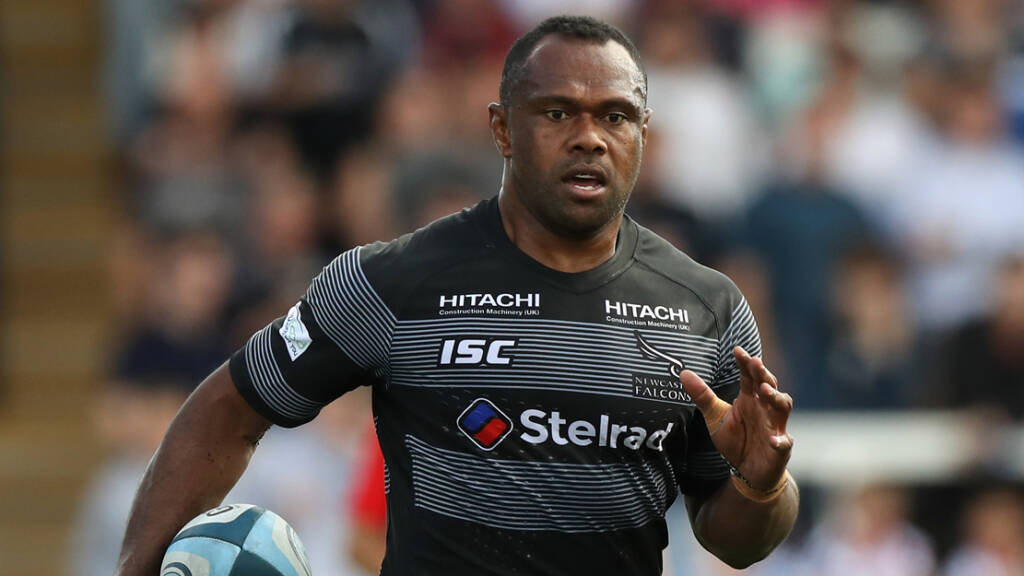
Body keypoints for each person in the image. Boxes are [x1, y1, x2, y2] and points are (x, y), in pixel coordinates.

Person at [115, 15, 798, 576]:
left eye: (615, 116)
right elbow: (227, 410)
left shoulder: (706, 310)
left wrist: (762, 484)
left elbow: (735, 540)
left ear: (642, 135)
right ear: (502, 128)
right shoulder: (392, 283)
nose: (590, 137)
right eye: (558, 112)